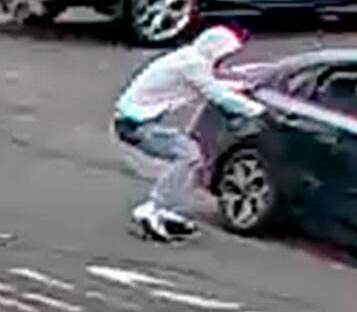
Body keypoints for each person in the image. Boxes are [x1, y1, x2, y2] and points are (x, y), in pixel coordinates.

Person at [112, 25, 263, 241]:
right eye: (224, 54)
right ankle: (154, 207)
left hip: (134, 120)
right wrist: (257, 110)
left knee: (190, 157)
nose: (223, 60)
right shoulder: (192, 65)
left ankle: (166, 208)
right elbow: (216, 95)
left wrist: (237, 86)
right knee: (188, 155)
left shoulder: (188, 58)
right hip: (136, 124)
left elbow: (208, 85)